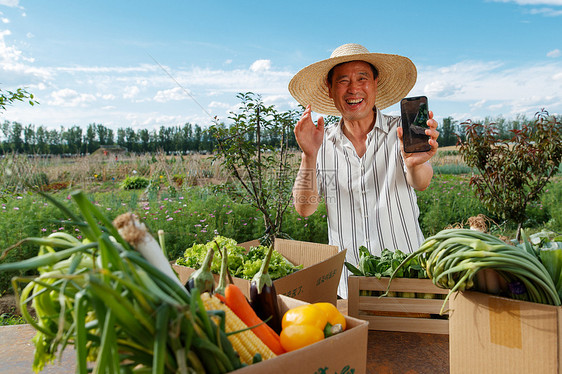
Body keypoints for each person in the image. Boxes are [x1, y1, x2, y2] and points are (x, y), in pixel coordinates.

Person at [288, 43, 439, 298]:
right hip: (350, 286)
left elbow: (421, 182)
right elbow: (305, 208)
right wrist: (309, 155)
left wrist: (416, 163)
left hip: (408, 279)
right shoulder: (320, 142)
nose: (353, 89)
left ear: (376, 83)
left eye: (362, 78)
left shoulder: (400, 131)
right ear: (330, 88)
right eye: (343, 81)